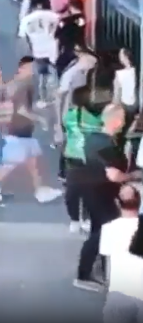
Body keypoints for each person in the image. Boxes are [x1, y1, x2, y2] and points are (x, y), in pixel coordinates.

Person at [70, 104, 141, 292]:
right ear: (116, 121)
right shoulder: (107, 145)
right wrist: (132, 177)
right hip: (102, 192)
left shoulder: (92, 139)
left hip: (90, 190)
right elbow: (114, 175)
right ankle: (83, 274)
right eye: (123, 120)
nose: (124, 124)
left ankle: (98, 266)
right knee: (102, 232)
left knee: (97, 227)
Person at [0, 56, 63, 203]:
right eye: (31, 67)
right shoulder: (25, 84)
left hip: (15, 126)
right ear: (23, 68)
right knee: (14, 160)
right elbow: (22, 109)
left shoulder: (15, 82)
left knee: (32, 158)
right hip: (19, 126)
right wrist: (39, 119)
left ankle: (41, 190)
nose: (34, 71)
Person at [61, 87, 105, 231]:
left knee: (75, 192)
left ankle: (77, 218)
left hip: (78, 157)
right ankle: (81, 218)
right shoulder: (95, 117)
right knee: (84, 190)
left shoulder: (70, 115)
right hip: (84, 157)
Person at [99, 185, 143, 319]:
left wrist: (107, 289)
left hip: (120, 290)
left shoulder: (108, 228)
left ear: (117, 203)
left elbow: (107, 264)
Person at [19, 0, 60, 107]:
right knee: (55, 73)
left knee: (42, 76)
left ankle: (43, 99)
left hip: (38, 51)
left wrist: (30, 49)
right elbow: (60, 27)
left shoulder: (26, 20)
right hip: (52, 50)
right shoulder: (53, 15)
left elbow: (24, 38)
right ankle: (56, 96)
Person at [56, 0, 88, 74]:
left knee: (60, 66)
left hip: (68, 49)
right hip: (82, 47)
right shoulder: (84, 19)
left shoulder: (64, 21)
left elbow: (56, 35)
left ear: (71, 8)